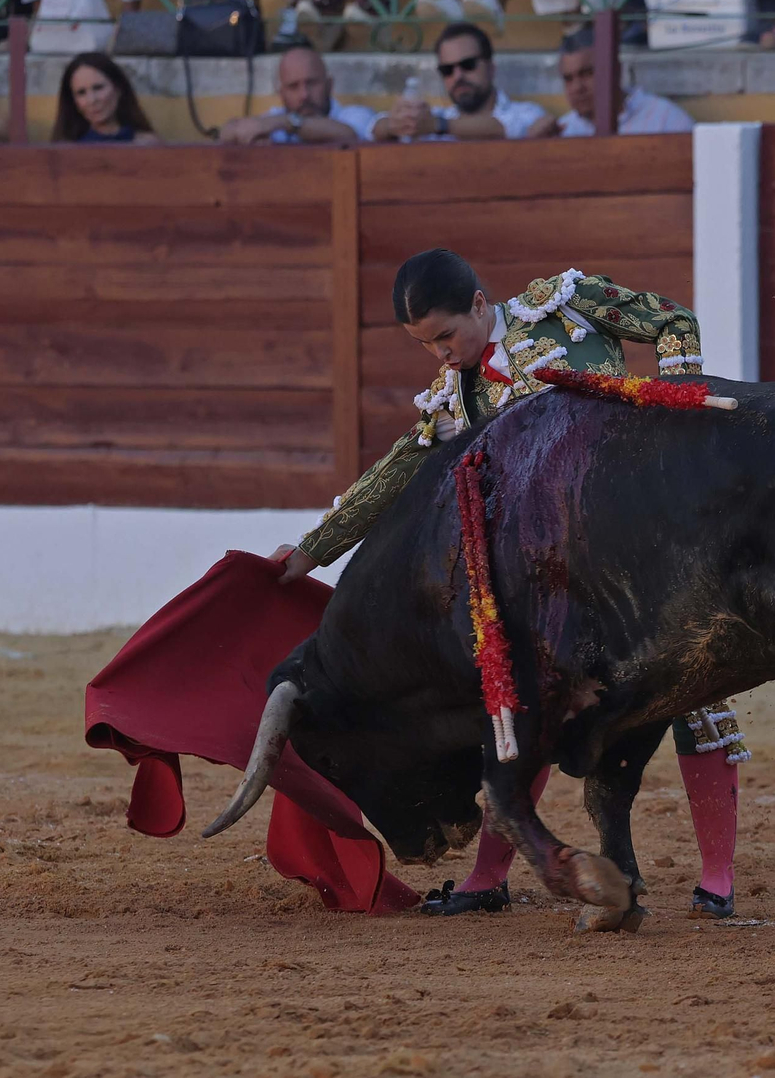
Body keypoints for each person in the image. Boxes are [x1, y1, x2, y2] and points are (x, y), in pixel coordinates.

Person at [275, 249, 747, 919]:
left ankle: (719, 879)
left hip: (644, 546)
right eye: (424, 345)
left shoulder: (561, 306)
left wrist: (678, 410)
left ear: (477, 304)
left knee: (695, 689)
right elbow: (391, 477)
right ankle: (488, 875)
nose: (439, 355)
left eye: (444, 336)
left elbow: (672, 321)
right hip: (560, 586)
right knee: (521, 709)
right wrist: (311, 551)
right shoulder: (454, 399)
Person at [372, 22, 546, 142]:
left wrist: (438, 125)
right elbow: (371, 127)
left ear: (491, 67)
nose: (458, 76)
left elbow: (510, 128)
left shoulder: (527, 113)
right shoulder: (433, 120)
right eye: (447, 70)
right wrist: (395, 124)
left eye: (467, 65)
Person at [218, 45, 378, 145]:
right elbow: (229, 132)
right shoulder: (275, 121)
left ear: (329, 85)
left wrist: (288, 123)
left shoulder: (355, 115)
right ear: (281, 93)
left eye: (312, 83)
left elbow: (348, 134)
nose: (304, 95)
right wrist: (251, 137)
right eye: (293, 87)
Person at [553, 25, 694, 137]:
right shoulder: (563, 131)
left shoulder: (665, 120)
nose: (577, 87)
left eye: (588, 73)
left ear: (615, 70)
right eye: (568, 79)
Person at [50, 53, 160, 144]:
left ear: (118, 88)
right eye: (81, 93)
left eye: (98, 88)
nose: (92, 100)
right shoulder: (66, 150)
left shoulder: (146, 144)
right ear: (73, 101)